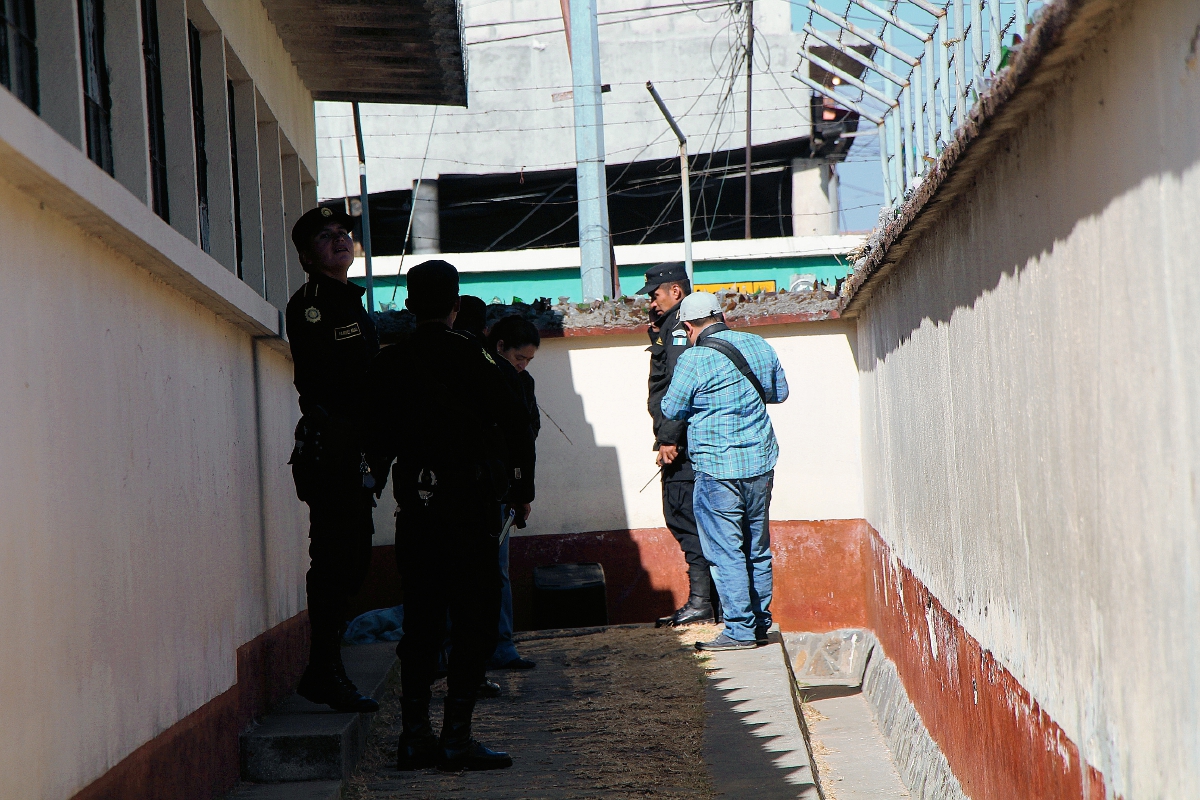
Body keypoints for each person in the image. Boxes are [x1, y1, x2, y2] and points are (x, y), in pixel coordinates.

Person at [370, 261, 535, 771]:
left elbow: (377, 436)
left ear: (409, 306)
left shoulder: (391, 361)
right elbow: (517, 424)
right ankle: (455, 738)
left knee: (420, 621)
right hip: (470, 507)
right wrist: (521, 489)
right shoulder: (476, 355)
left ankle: (414, 737)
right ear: (455, 306)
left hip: (417, 508)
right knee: (474, 619)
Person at [285, 206, 382, 712]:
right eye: (326, 236)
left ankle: (324, 667)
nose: (340, 240)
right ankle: (325, 669)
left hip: (357, 448)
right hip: (332, 448)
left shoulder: (351, 301)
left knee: (354, 559)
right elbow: (327, 381)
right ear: (305, 255)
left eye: (344, 233)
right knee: (334, 560)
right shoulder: (311, 306)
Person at [660, 292, 789, 651]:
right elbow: (779, 393)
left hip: (717, 468)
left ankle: (739, 630)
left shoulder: (694, 358)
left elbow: (671, 407)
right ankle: (761, 624)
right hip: (761, 463)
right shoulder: (758, 345)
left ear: (688, 326)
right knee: (757, 548)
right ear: (720, 315)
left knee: (725, 550)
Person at [637, 262, 719, 627]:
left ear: (676, 292)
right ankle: (707, 601)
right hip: (682, 441)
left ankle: (703, 603)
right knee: (686, 519)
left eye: (655, 295)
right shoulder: (668, 328)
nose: (651, 303)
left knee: (684, 518)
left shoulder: (678, 333)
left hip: (682, 447)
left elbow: (678, 387)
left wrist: (668, 439)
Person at [485, 315, 542, 671]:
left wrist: (522, 493)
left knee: (499, 569)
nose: (521, 366)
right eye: (518, 358)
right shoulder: (482, 378)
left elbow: (527, 437)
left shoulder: (524, 383)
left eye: (527, 361)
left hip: (506, 490)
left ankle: (503, 646)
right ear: (499, 346)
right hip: (484, 488)